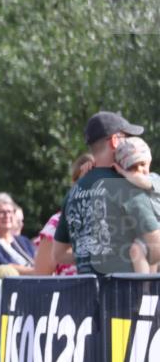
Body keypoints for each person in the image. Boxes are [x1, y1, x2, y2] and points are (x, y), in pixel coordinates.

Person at [54, 111, 160, 275]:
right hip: (125, 294)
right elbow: (156, 245)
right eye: (127, 138)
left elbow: (58, 254)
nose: (132, 143)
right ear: (115, 141)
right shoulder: (126, 186)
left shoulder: (73, 192)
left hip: (86, 294)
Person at [33, 154, 94, 276]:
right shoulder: (57, 223)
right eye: (86, 181)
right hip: (70, 294)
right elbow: (40, 278)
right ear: (74, 184)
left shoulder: (115, 220)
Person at [113, 137, 160, 273]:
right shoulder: (126, 189)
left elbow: (142, 181)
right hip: (147, 237)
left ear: (149, 161)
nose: (139, 169)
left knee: (142, 248)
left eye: (142, 164)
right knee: (138, 250)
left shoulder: (154, 179)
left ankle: (147, 287)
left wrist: (124, 172)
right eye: (133, 166)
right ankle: (146, 289)